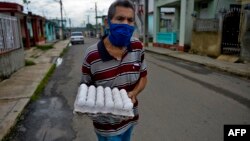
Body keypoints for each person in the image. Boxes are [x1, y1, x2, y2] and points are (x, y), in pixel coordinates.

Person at [81, 0, 147, 141]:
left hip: (129, 118)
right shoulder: (92, 55)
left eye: (130, 20)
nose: (125, 24)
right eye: (120, 18)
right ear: (107, 22)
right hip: (106, 126)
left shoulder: (137, 47)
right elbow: (85, 89)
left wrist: (134, 93)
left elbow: (143, 77)